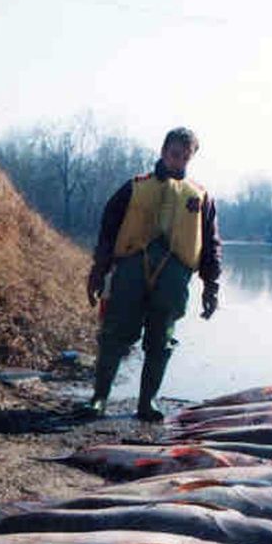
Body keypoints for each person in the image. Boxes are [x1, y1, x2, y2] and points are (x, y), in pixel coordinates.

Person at [78, 127, 222, 422]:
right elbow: (108, 231)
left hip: (174, 276)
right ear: (162, 151)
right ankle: (99, 398)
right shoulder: (134, 186)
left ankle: (147, 402)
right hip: (131, 269)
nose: (177, 160)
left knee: (161, 340)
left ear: (191, 158)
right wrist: (97, 271)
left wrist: (212, 286)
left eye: (185, 156)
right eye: (173, 154)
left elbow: (211, 245)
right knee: (115, 333)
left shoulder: (201, 196)